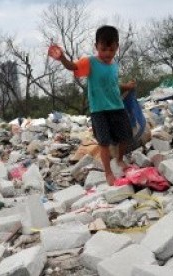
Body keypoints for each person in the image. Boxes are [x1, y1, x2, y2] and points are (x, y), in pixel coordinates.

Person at [48, 25, 135, 185]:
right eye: (103, 50)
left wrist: (127, 87)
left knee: (125, 136)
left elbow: (113, 84)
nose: (108, 54)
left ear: (117, 47)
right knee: (104, 143)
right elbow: (72, 67)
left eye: (111, 50)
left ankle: (120, 160)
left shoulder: (114, 65)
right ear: (96, 47)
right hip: (99, 111)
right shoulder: (90, 62)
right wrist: (62, 58)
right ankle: (108, 173)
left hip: (117, 107)